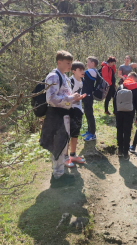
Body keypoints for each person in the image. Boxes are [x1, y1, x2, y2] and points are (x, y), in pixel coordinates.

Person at [40, 50, 85, 188]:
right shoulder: (53, 76)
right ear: (59, 62)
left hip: (64, 115)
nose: (70, 66)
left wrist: (75, 98)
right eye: (67, 63)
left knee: (63, 144)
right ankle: (57, 177)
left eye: (71, 63)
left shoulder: (64, 77)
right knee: (57, 145)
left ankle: (60, 173)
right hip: (56, 116)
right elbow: (51, 99)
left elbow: (64, 96)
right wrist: (72, 98)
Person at [113, 72, 137, 160]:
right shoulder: (136, 88)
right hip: (130, 113)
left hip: (119, 112)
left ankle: (120, 150)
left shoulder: (121, 86)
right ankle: (126, 153)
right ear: (135, 79)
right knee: (127, 132)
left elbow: (115, 99)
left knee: (119, 130)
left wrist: (115, 110)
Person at [64, 61, 86, 168]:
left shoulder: (82, 81)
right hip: (70, 109)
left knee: (75, 133)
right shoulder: (70, 81)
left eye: (83, 69)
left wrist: (80, 98)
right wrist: (75, 98)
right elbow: (67, 97)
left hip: (78, 109)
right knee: (67, 134)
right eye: (80, 70)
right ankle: (65, 157)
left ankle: (73, 155)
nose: (83, 72)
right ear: (74, 71)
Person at [81, 56, 99, 141]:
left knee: (90, 114)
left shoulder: (91, 71)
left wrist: (78, 67)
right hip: (86, 95)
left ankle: (92, 134)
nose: (86, 64)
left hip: (88, 95)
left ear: (93, 63)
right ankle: (89, 131)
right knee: (87, 114)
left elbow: (80, 74)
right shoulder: (91, 71)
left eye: (87, 62)